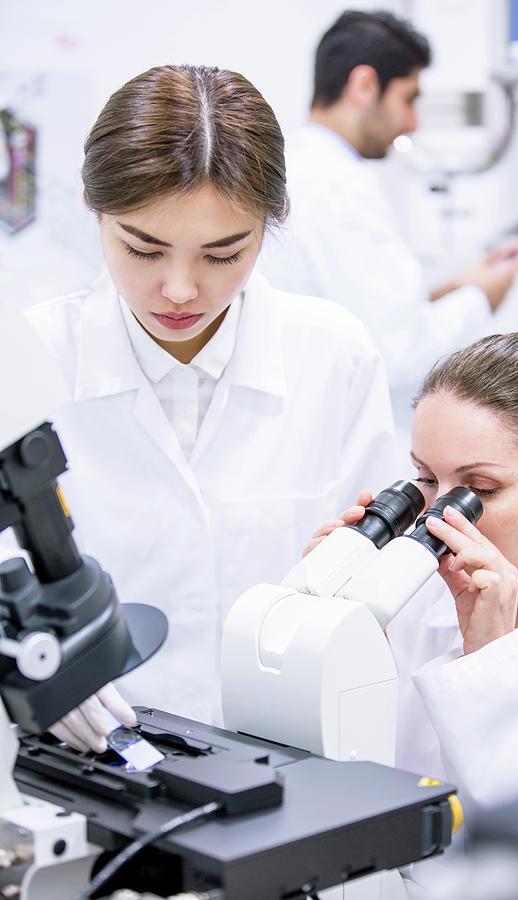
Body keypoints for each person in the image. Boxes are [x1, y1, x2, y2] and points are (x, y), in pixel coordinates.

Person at [14, 64, 398, 752]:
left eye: (224, 253)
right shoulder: (27, 365)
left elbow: (379, 600)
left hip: (281, 768)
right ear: (96, 214)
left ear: (269, 226)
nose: (181, 289)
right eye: (142, 248)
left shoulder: (332, 357)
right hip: (74, 776)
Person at [310, 332, 518, 842]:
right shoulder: (409, 593)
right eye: (424, 479)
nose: (439, 517)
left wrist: (490, 661)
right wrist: (334, 640)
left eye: (479, 491)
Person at [259, 10, 518, 450]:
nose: (412, 123)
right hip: (334, 439)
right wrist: (483, 296)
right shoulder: (339, 188)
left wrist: (457, 285)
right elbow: (401, 356)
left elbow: (361, 310)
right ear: (364, 85)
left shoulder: (291, 167)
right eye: (409, 98)